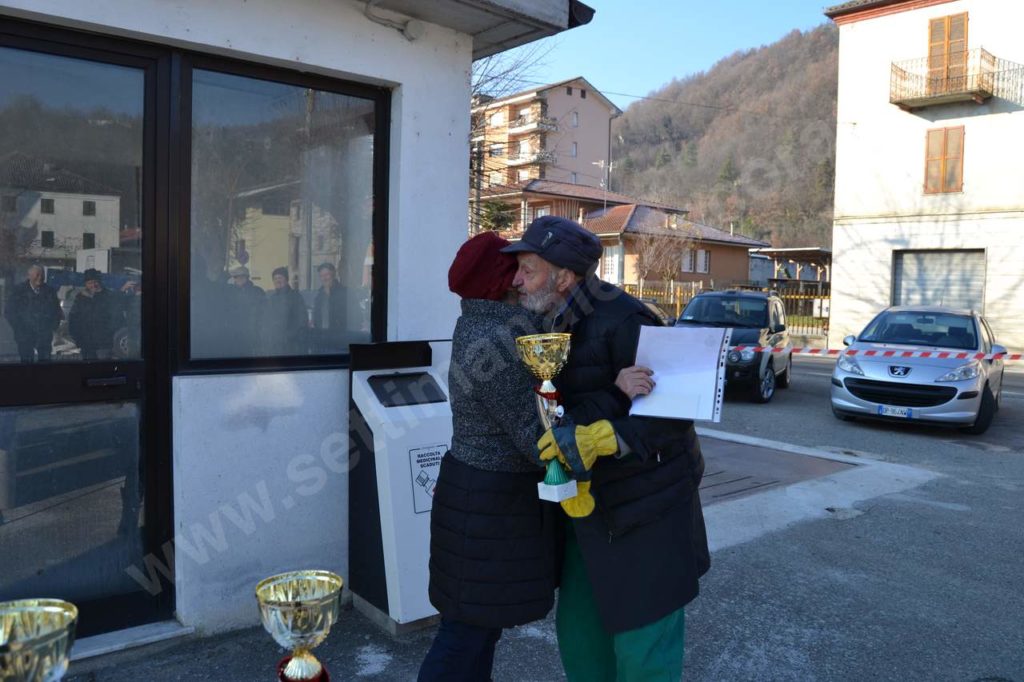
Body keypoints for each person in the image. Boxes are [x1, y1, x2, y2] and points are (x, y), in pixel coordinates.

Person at [502, 215, 711, 682]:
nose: (516, 280)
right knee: (582, 640)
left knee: (643, 649)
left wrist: (608, 439)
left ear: (565, 275)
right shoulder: (547, 321)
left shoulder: (627, 318)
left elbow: (674, 410)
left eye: (528, 269)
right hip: (587, 512)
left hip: (645, 515)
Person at [418, 232, 557, 682]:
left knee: (477, 628)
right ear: (499, 280)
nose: (521, 277)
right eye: (513, 268)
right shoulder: (499, 339)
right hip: (491, 503)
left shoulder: (476, 322)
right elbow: (533, 436)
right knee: (465, 635)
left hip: (475, 495)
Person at [4, 264, 61, 363]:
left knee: (45, 366)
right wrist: (19, 328)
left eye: (42, 275)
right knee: (27, 366)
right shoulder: (19, 291)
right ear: (29, 276)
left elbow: (56, 311)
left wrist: (52, 327)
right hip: (25, 336)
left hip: (44, 336)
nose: (40, 277)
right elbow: (9, 312)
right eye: (37, 275)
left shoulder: (50, 291)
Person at [69, 268, 121, 360]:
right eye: (90, 282)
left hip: (104, 343)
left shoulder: (108, 296)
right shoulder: (80, 298)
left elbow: (116, 317)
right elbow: (73, 318)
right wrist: (76, 336)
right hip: (86, 342)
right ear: (86, 284)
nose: (93, 285)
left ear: (99, 282)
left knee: (103, 370)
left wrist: (110, 334)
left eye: (95, 282)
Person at [263, 266, 308, 355]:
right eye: (275, 278)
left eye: (280, 278)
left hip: (291, 344)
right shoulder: (272, 298)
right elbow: (267, 320)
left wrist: (289, 336)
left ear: (286, 279)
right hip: (275, 344)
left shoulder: (295, 296)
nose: (277, 280)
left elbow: (302, 320)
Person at [228, 265, 266, 356]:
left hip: (253, 332)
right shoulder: (229, 292)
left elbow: (264, 313)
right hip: (234, 333)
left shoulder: (257, 292)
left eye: (242, 276)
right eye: (236, 277)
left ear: (247, 277)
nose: (239, 279)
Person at [311, 262, 347, 353]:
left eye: (327, 274)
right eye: (321, 276)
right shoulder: (319, 295)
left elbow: (355, 317)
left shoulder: (345, 293)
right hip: (322, 339)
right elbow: (316, 316)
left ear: (333, 274)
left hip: (339, 339)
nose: (324, 278)